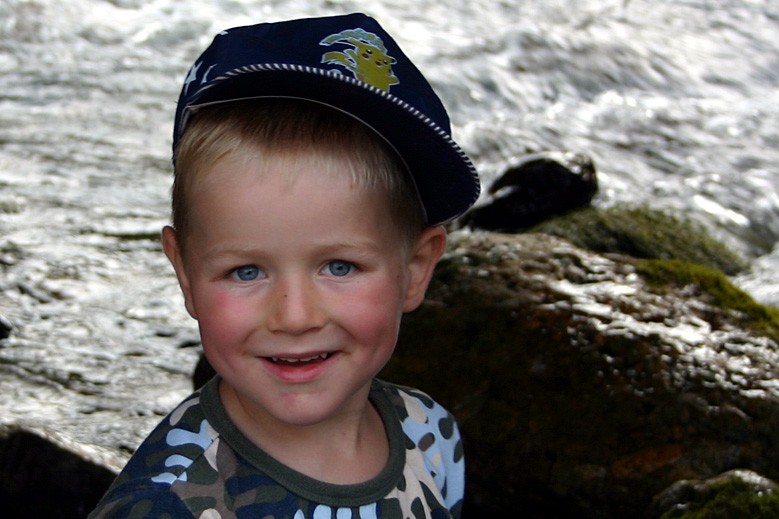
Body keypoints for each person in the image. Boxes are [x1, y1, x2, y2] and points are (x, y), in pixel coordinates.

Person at [90, 12, 480, 518]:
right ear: (185, 273)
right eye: (246, 271)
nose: (295, 317)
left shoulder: (428, 434)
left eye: (339, 267)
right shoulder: (168, 505)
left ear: (416, 268)